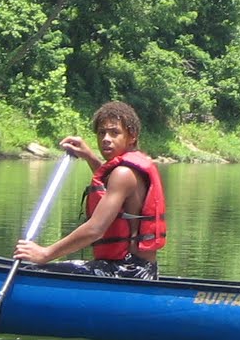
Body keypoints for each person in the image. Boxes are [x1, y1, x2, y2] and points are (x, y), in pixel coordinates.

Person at [13, 101, 167, 280]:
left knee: (36, 272)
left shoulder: (123, 173)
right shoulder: (126, 172)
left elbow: (95, 229)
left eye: (114, 132)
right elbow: (111, 182)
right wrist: (89, 157)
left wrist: (45, 254)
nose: (106, 139)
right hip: (140, 271)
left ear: (132, 136)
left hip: (125, 271)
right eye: (101, 133)